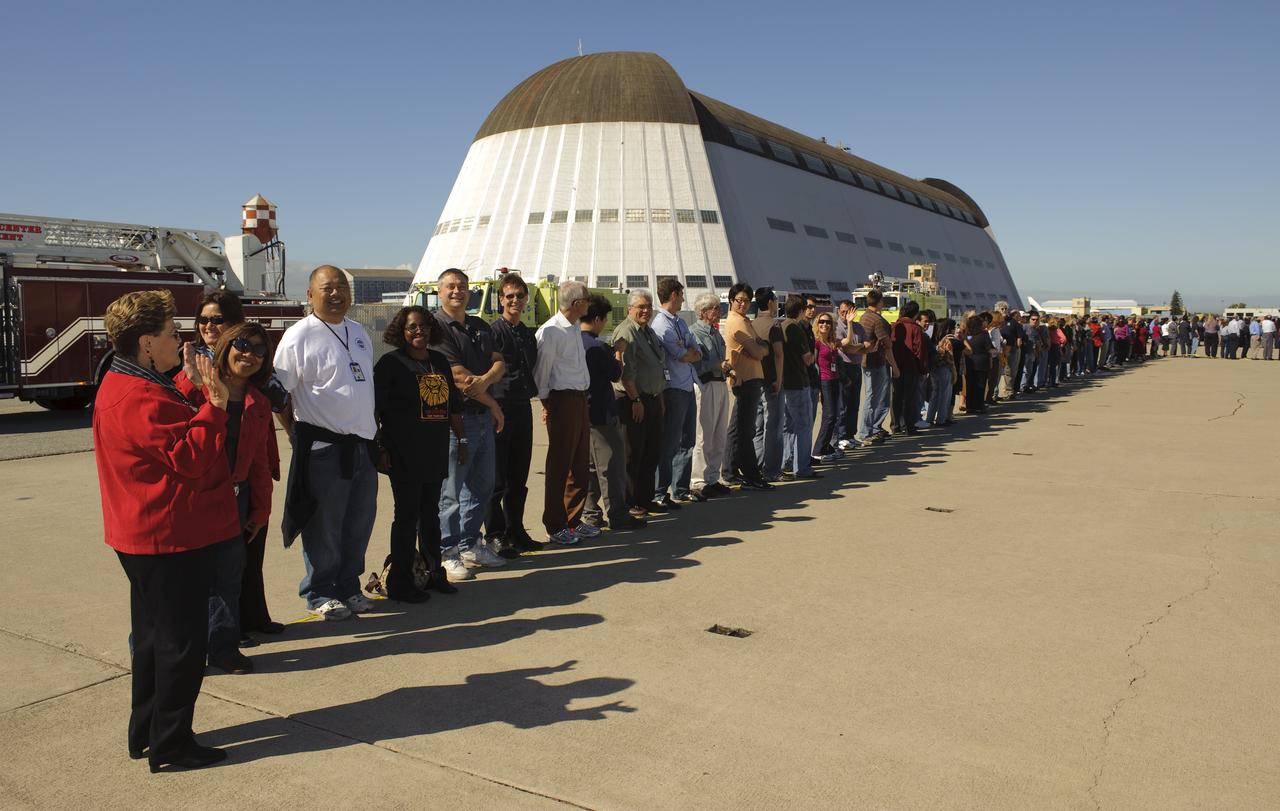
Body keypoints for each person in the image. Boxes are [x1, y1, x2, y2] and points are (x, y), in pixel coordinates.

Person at [94, 289, 235, 772]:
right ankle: (172, 742)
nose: (181, 341)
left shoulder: (129, 379)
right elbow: (191, 457)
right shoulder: (138, 394)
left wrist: (196, 389)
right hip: (166, 536)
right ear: (147, 342)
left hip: (147, 533)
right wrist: (216, 405)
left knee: (156, 638)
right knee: (181, 645)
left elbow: (171, 421)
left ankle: (148, 732)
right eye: (173, 333)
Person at [275, 266, 378, 620]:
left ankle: (349, 586)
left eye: (341, 287)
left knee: (358, 522)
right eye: (327, 287)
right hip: (323, 449)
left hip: (361, 446)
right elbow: (279, 393)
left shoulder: (358, 331)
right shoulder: (298, 336)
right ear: (310, 295)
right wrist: (295, 434)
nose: (336, 293)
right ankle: (319, 592)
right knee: (325, 526)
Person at [176, 323, 276, 675]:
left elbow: (259, 462)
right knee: (184, 579)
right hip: (196, 496)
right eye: (243, 345)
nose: (249, 355)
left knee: (229, 578)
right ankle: (175, 650)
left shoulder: (258, 402)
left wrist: (261, 509)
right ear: (225, 346)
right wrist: (192, 380)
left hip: (236, 498)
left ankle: (223, 648)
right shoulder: (198, 385)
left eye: (260, 351)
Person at [373, 306, 464, 603]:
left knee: (430, 516)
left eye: (424, 326)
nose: (419, 332)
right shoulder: (390, 364)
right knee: (406, 516)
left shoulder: (438, 361)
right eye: (412, 327)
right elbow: (376, 410)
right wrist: (381, 447)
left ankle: (433, 572)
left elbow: (452, 406)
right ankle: (401, 581)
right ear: (401, 330)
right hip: (403, 452)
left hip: (434, 450)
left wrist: (462, 440)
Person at [433, 268, 508, 580]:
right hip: (456, 421)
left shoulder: (479, 326)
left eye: (462, 286)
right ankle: (447, 551)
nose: (457, 292)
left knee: (481, 484)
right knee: (451, 490)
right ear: (440, 291)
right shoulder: (437, 327)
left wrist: (487, 379)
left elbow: (500, 363)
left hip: (480, 421)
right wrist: (493, 403)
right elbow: (457, 376)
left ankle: (469, 543)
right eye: (451, 286)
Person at [533, 279, 595, 545]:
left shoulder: (573, 329)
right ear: (577, 303)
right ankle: (555, 524)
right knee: (560, 464)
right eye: (587, 299)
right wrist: (548, 403)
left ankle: (573, 519)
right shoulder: (551, 331)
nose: (589, 304)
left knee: (580, 464)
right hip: (562, 400)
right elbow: (542, 372)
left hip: (580, 399)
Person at [485, 274, 540, 556]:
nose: (515, 300)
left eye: (519, 295)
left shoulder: (528, 334)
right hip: (499, 408)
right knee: (497, 478)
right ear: (500, 300)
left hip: (523, 407)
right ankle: (494, 535)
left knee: (519, 475)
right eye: (509, 296)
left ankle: (515, 530)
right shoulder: (493, 332)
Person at [579, 295, 644, 531]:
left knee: (589, 467)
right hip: (602, 412)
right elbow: (615, 374)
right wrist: (618, 353)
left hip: (583, 411)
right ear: (597, 319)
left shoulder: (575, 341)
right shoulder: (598, 346)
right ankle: (617, 514)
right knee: (611, 465)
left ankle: (590, 513)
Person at [613, 290, 668, 515]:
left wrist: (660, 398)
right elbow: (625, 372)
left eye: (648, 306)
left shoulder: (648, 332)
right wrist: (635, 399)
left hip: (652, 398)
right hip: (634, 400)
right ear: (630, 309)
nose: (646, 310)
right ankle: (629, 501)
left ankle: (645, 498)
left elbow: (657, 367)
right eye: (641, 307)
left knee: (651, 452)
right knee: (632, 454)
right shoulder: (626, 332)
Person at [651, 278, 702, 507]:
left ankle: (680, 489)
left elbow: (695, 350)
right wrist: (688, 351)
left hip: (688, 384)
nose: (683, 298)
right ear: (673, 295)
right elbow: (682, 355)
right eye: (681, 294)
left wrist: (688, 351)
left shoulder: (679, 322)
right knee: (670, 442)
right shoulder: (661, 325)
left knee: (687, 440)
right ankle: (660, 492)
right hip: (673, 390)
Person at [723, 284, 773, 490]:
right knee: (745, 430)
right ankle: (751, 474)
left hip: (750, 377)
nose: (743, 304)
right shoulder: (736, 323)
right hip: (746, 379)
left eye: (746, 300)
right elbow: (759, 351)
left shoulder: (744, 321)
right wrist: (760, 349)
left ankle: (730, 471)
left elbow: (763, 346)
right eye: (739, 300)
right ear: (731, 301)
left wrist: (761, 348)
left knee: (738, 428)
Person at [690, 292, 731, 500]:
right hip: (705, 384)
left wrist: (726, 367)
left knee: (718, 434)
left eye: (718, 307)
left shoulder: (716, 334)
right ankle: (698, 480)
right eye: (714, 308)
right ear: (703, 311)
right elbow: (695, 364)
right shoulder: (695, 333)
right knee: (703, 435)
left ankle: (713, 477)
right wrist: (716, 365)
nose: (718, 311)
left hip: (720, 383)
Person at [778, 295, 819, 479]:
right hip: (798, 381)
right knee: (804, 425)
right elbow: (808, 358)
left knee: (788, 425)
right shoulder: (796, 328)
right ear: (801, 311)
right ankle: (802, 466)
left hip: (784, 382)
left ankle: (786, 461)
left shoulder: (780, 326)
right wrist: (815, 349)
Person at [751, 287, 786, 480]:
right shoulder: (774, 325)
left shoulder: (752, 324)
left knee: (758, 426)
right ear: (771, 303)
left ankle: (757, 466)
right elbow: (779, 354)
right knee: (773, 425)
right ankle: (772, 470)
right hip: (772, 379)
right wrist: (779, 379)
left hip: (756, 379)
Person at [856, 289, 898, 446]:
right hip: (876, 362)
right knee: (875, 397)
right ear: (880, 302)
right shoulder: (877, 320)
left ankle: (872, 428)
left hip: (866, 361)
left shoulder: (864, 317)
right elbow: (887, 345)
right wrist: (895, 366)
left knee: (871, 396)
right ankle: (867, 431)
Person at [890, 300, 926, 434]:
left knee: (897, 396)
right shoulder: (916, 328)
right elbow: (919, 351)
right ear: (915, 314)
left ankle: (896, 425)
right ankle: (909, 426)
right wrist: (922, 368)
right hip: (911, 367)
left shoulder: (895, 326)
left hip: (896, 366)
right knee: (910, 397)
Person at [811, 311, 843, 459]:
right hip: (824, 380)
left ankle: (826, 446)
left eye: (828, 322)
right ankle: (818, 450)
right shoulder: (816, 342)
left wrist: (849, 322)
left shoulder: (831, 342)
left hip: (835, 379)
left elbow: (848, 342)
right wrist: (816, 388)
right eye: (822, 322)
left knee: (834, 415)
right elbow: (813, 364)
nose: (825, 324)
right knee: (829, 416)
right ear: (817, 324)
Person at [833, 299, 864, 448]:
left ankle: (851, 434)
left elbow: (868, 346)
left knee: (854, 403)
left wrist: (856, 347)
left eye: (848, 311)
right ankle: (841, 435)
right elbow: (847, 348)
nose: (845, 314)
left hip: (857, 366)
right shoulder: (836, 327)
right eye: (842, 311)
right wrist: (858, 347)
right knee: (843, 404)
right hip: (844, 366)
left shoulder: (859, 327)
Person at [963, 315, 992, 414]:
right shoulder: (984, 334)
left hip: (969, 362)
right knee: (980, 385)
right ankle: (979, 406)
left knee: (970, 385)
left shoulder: (966, 334)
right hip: (982, 362)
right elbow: (989, 348)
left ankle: (969, 406)